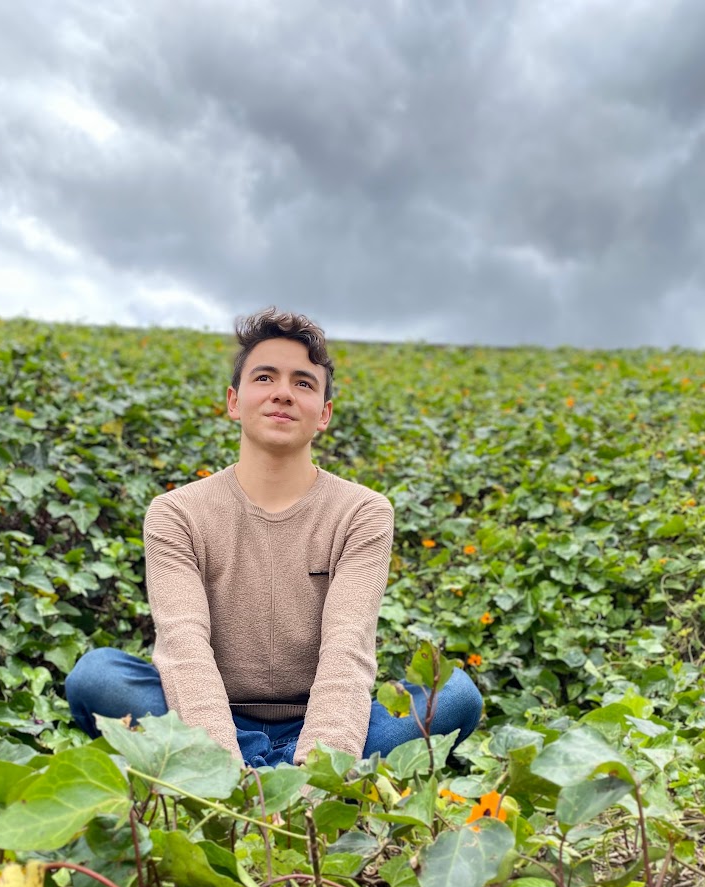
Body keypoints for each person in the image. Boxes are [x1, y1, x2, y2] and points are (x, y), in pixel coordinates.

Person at [66, 308, 483, 767]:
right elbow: (183, 646)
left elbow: (348, 647)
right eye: (264, 377)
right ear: (233, 401)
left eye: (303, 383)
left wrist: (319, 769)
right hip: (207, 713)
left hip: (322, 717)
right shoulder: (176, 512)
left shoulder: (362, 512)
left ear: (323, 414)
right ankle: (256, 766)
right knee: (98, 676)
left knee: (456, 694)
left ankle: (276, 767)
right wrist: (220, 764)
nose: (282, 393)